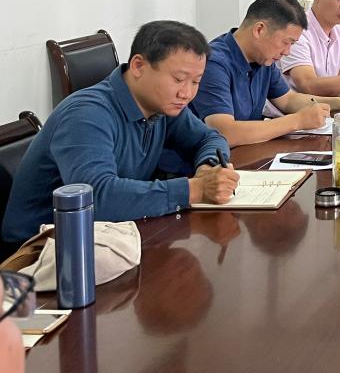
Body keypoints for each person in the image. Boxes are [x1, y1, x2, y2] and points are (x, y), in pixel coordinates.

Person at [2, 21, 239, 245]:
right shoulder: (86, 114)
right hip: (40, 249)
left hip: (108, 234)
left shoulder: (164, 105)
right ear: (138, 66)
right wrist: (196, 189)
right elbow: (97, 198)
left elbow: (209, 138)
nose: (186, 93)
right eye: (178, 79)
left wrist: (208, 167)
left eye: (196, 82)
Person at [190, 0, 340, 150]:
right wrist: (298, 120)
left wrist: (338, 103)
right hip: (209, 165)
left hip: (248, 152)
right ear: (259, 29)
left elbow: (288, 100)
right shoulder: (214, 63)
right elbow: (225, 132)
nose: (287, 52)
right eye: (286, 42)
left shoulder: (263, 59)